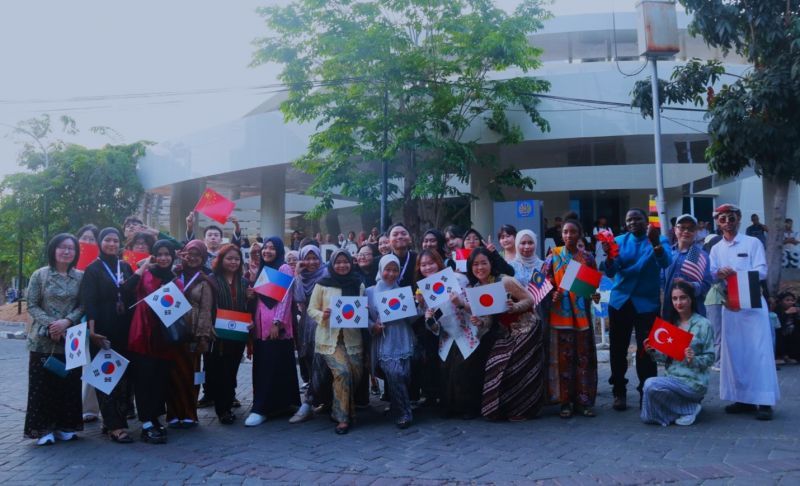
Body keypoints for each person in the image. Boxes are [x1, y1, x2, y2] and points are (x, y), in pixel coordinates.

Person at [709, 204, 779, 420]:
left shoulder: (752, 242)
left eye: (731, 218)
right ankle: (742, 399)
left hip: (752, 303)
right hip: (730, 304)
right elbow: (712, 273)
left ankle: (765, 402)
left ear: (738, 219)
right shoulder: (715, 248)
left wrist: (736, 273)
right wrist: (720, 273)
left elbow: (762, 271)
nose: (727, 222)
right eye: (722, 218)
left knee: (759, 352)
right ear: (718, 223)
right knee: (736, 352)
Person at [601, 208, 672, 411]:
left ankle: (647, 393)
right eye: (629, 219)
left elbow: (665, 262)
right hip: (620, 301)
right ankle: (619, 392)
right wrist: (608, 257)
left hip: (646, 304)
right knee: (617, 349)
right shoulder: (619, 241)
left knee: (646, 350)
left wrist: (656, 243)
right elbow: (611, 270)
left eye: (637, 218)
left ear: (645, 220)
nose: (633, 222)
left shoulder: (659, 239)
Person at [466, 248, 543, 421]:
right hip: (506, 332)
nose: (480, 267)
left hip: (527, 326)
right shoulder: (477, 288)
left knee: (515, 363)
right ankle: (498, 408)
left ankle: (523, 408)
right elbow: (487, 319)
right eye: (475, 264)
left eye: (483, 263)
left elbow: (529, 299)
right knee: (495, 362)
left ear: (491, 264)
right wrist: (480, 322)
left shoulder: (505, 280)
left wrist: (514, 307)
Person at [24, 234, 84, 446]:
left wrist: (66, 322)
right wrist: (52, 324)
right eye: (62, 247)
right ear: (53, 250)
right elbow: (31, 305)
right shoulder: (40, 275)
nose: (66, 251)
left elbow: (83, 305)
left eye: (71, 248)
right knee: (43, 385)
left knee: (68, 384)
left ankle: (65, 426)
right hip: (43, 340)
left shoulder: (80, 277)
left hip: (71, 339)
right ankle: (43, 429)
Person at [80, 227, 137, 443]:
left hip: (125, 328)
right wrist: (92, 331)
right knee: (107, 376)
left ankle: (112, 420)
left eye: (115, 240)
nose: (111, 244)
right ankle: (116, 426)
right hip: (102, 329)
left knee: (123, 378)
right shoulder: (92, 269)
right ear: (100, 243)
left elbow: (131, 292)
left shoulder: (124, 266)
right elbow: (90, 302)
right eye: (107, 240)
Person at [415, 249, 487, 419]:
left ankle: (469, 407)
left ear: (439, 262)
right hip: (446, 335)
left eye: (431, 263)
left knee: (465, 368)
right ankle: (451, 406)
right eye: (423, 265)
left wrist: (460, 302)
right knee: (447, 370)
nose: (428, 268)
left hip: (467, 330)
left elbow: (477, 305)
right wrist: (429, 318)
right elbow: (433, 326)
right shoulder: (424, 291)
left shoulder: (459, 279)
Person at [543, 219, 598, 418]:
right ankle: (565, 402)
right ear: (561, 234)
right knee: (563, 361)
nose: (568, 236)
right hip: (560, 318)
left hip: (582, 317)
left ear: (580, 234)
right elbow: (543, 282)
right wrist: (552, 293)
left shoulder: (588, 258)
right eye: (565, 232)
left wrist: (594, 296)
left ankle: (583, 402)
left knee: (583, 360)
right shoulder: (553, 256)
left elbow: (593, 289)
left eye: (573, 232)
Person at [243, 237, 300, 426]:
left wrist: (277, 323)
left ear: (279, 251)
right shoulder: (262, 269)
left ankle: (262, 408)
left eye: (272, 248)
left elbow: (285, 298)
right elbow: (260, 298)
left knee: (272, 366)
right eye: (265, 248)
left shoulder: (283, 268)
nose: (267, 251)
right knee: (268, 365)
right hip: (260, 326)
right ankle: (279, 404)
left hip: (276, 328)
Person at [641, 282, 715, 427]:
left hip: (693, 382)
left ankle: (688, 407)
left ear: (691, 299)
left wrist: (693, 358)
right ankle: (687, 408)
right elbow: (665, 358)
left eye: (683, 298)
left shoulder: (704, 324)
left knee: (649, 385)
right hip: (672, 379)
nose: (678, 302)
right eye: (675, 299)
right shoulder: (671, 325)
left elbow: (710, 358)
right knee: (647, 417)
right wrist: (652, 351)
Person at [307, 249, 365, 434]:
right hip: (329, 340)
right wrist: (322, 315)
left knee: (355, 375)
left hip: (352, 339)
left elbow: (362, 310)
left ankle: (337, 406)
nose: (342, 265)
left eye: (345, 262)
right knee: (343, 373)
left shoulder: (358, 283)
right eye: (337, 262)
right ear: (332, 264)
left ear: (351, 263)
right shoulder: (322, 284)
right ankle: (342, 417)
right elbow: (311, 309)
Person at [127, 240, 178, 444]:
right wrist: (143, 267)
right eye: (160, 254)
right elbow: (127, 289)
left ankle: (156, 417)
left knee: (159, 378)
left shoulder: (175, 277)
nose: (164, 257)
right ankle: (146, 422)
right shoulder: (145, 272)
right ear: (154, 255)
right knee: (144, 379)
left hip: (164, 334)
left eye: (168, 254)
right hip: (143, 332)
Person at [167, 240, 214, 429]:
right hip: (172, 331)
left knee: (191, 374)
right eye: (189, 253)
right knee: (171, 375)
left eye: (197, 255)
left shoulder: (205, 279)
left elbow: (205, 310)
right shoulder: (173, 274)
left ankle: (189, 413)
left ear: (203, 258)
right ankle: (172, 413)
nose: (192, 258)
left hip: (193, 333)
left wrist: (203, 336)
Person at [367, 255, 418, 428]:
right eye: (387, 269)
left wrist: (418, 306)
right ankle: (405, 412)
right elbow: (363, 317)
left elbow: (411, 319)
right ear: (380, 270)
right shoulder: (370, 291)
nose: (391, 273)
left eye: (395, 269)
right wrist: (373, 326)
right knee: (394, 373)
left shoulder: (402, 292)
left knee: (403, 375)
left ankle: (398, 405)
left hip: (402, 338)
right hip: (383, 340)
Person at [207, 244, 254, 425]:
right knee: (220, 371)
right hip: (218, 334)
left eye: (237, 259)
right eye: (229, 258)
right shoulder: (212, 280)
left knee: (232, 369)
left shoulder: (244, 282)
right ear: (221, 260)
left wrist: (250, 300)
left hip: (238, 334)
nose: (233, 262)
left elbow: (248, 308)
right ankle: (222, 409)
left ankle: (228, 400)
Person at [289, 245, 332, 424]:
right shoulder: (302, 277)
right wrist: (297, 274)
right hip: (306, 323)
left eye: (315, 258)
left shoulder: (327, 274)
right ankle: (325, 401)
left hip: (323, 321)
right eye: (308, 258)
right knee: (307, 358)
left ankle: (308, 402)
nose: (312, 262)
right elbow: (299, 298)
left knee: (320, 360)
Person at [660, 214, 713, 323]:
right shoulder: (667, 253)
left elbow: (706, 285)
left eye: (690, 228)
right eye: (682, 227)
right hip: (669, 312)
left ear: (696, 232)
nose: (686, 231)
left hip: (693, 314)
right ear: (675, 230)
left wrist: (691, 286)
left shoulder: (700, 255)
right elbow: (660, 282)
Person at [76, 224, 100, 423]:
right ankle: (69, 406)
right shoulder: (69, 264)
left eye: (92, 239)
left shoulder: (101, 266)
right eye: (84, 237)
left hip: (93, 322)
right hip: (73, 323)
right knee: (74, 366)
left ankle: (89, 408)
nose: (88, 242)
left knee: (92, 365)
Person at [388, 223, 418, 289]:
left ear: (410, 239)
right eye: (395, 235)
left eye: (404, 234)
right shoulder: (382, 261)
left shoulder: (418, 259)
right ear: (389, 241)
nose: (400, 237)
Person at [775, 291, 799, 363]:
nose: (790, 302)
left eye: (792, 300)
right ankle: (783, 356)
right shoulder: (778, 309)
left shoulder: (795, 309)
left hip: (792, 334)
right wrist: (786, 313)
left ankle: (793, 356)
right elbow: (777, 324)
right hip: (781, 334)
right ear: (781, 302)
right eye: (787, 300)